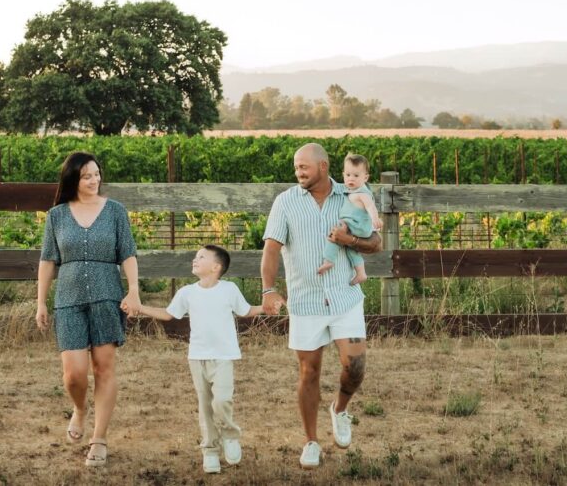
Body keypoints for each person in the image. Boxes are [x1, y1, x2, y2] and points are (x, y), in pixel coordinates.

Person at [260, 143, 382, 469]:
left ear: (324, 166)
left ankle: (340, 409)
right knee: (308, 371)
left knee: (355, 366)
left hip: (345, 296)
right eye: (296, 167)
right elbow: (271, 249)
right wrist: (269, 289)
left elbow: (375, 243)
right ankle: (310, 441)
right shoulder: (285, 202)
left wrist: (350, 242)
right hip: (306, 300)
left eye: (305, 166)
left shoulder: (352, 193)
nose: (299, 172)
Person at [35, 151, 142, 468]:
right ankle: (80, 408)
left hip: (107, 296)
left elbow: (129, 254)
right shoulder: (56, 215)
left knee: (104, 368)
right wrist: (41, 300)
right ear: (73, 180)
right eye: (86, 176)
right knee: (73, 374)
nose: (94, 180)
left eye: (97, 174)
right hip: (68, 299)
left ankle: (99, 439)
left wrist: (133, 290)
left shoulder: (115, 212)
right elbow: (47, 260)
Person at [130, 245, 263, 474]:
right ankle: (210, 450)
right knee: (205, 406)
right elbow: (169, 314)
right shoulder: (187, 292)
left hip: (223, 356)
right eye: (195, 256)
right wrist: (140, 308)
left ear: (216, 267)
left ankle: (230, 435)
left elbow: (245, 310)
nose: (194, 259)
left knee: (222, 401)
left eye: (201, 257)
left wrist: (265, 307)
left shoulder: (229, 289)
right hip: (197, 357)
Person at [316, 153, 382, 285]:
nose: (351, 179)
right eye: (348, 175)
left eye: (356, 176)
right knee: (351, 249)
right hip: (356, 227)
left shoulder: (362, 193)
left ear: (365, 177)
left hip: (356, 225)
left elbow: (370, 206)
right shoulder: (350, 190)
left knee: (335, 236)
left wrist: (376, 219)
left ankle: (328, 260)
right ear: (343, 175)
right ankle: (361, 273)